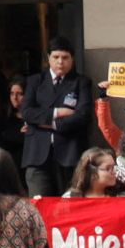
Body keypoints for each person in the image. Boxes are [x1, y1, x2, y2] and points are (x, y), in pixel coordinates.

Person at [20, 36, 93, 196]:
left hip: (69, 154)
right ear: (48, 58)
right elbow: (26, 112)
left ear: (72, 59)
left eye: (65, 57)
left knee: (70, 206)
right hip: (38, 154)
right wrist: (57, 113)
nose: (60, 62)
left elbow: (82, 116)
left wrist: (50, 124)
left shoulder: (81, 82)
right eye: (56, 57)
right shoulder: (35, 81)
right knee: (40, 205)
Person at [0, 78, 26, 161]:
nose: (15, 97)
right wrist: (20, 134)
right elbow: (2, 140)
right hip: (11, 162)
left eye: (19, 94)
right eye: (12, 94)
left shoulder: (33, 116)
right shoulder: (5, 116)